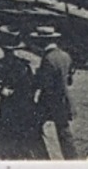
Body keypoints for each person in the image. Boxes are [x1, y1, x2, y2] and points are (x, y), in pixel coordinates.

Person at [0, 27, 46, 160]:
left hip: (10, 105)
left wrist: (2, 91)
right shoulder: (24, 65)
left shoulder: (1, 64)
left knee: (7, 136)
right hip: (23, 105)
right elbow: (32, 85)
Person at [31, 26, 78, 159]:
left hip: (50, 101)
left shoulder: (48, 58)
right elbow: (69, 80)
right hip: (64, 100)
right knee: (64, 133)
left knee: (33, 126)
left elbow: (44, 83)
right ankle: (73, 160)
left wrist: (36, 78)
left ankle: (42, 157)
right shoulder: (65, 56)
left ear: (43, 41)